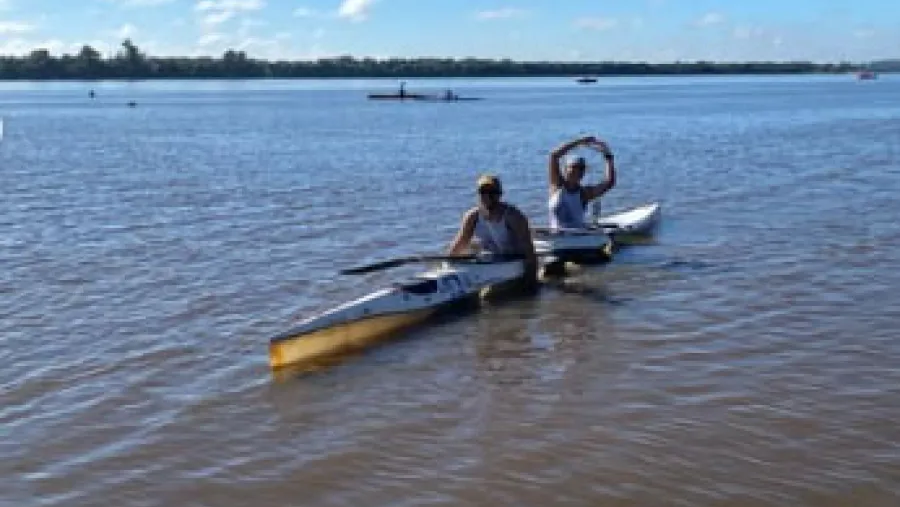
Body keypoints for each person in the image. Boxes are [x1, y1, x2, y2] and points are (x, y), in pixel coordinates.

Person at [447, 174, 538, 293]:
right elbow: (459, 244)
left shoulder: (514, 216)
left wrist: (531, 282)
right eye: (483, 192)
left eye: (491, 192)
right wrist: (448, 266)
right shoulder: (472, 216)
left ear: (499, 194)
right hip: (489, 261)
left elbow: (529, 250)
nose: (487, 196)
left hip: (513, 263)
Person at [548, 134, 616, 230]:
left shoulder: (584, 193)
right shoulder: (556, 185)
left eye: (581, 168)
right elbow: (554, 155)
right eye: (574, 167)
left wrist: (609, 157)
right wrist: (580, 141)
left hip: (579, 236)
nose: (578, 171)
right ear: (566, 169)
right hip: (557, 236)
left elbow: (609, 183)